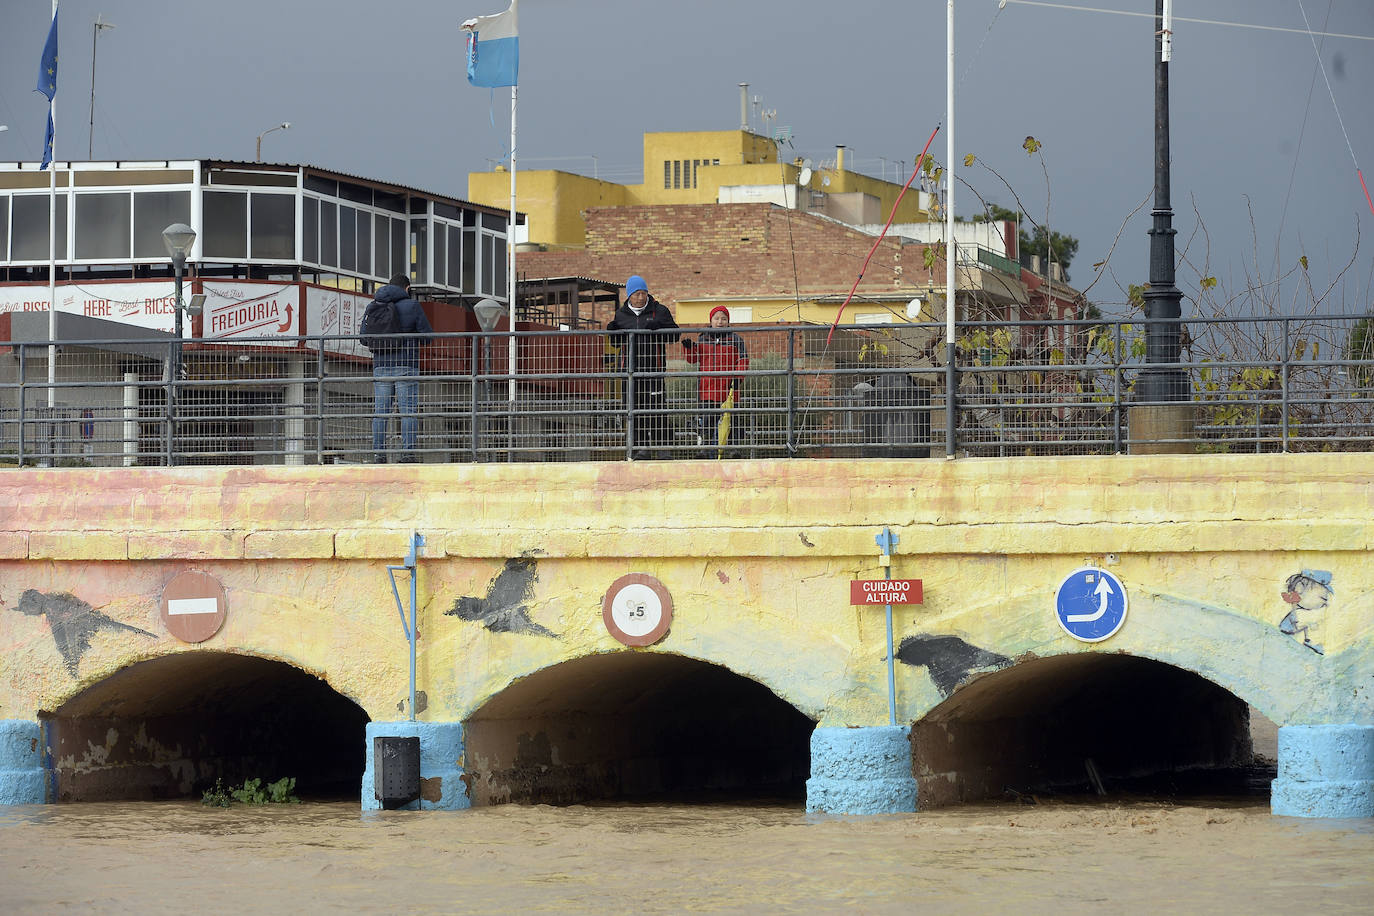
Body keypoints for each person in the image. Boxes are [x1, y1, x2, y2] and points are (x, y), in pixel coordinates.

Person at [607, 275, 680, 459]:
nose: (641, 298)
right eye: (637, 294)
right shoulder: (621, 314)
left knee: (657, 410)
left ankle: (663, 449)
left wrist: (659, 329)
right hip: (630, 372)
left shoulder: (660, 311)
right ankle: (640, 449)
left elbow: (675, 335)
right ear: (629, 295)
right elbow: (616, 344)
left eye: (644, 293)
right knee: (634, 410)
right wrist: (612, 332)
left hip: (653, 371)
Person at [369, 274, 433, 463]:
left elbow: (364, 337)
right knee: (407, 411)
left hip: (381, 366)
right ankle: (407, 454)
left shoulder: (374, 305)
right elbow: (428, 336)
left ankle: (378, 455)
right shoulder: (412, 306)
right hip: (406, 364)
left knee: (381, 412)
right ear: (407, 288)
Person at [681, 305, 749, 458]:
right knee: (707, 421)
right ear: (710, 320)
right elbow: (693, 360)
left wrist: (738, 378)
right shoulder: (702, 338)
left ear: (728, 321)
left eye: (723, 319)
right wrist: (689, 349)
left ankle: (733, 450)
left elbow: (743, 360)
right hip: (707, 388)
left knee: (732, 420)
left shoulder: (736, 339)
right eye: (716, 318)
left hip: (729, 389)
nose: (720, 322)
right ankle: (705, 450)